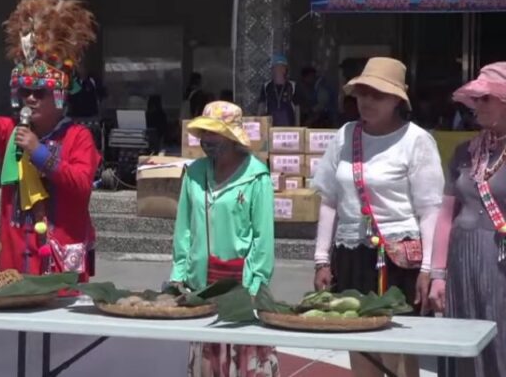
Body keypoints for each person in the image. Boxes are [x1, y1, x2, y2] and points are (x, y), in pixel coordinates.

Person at [0, 0, 101, 282]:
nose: (30, 98)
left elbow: (82, 185)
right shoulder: (11, 131)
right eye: (24, 91)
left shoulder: (77, 136)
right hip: (16, 260)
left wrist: (40, 153)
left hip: (60, 259)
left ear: (58, 96)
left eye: (39, 92)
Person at [311, 58, 444, 377]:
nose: (366, 101)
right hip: (351, 256)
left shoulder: (416, 140)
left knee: (399, 352)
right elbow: (329, 200)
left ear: (398, 100)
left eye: (377, 95)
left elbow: (430, 210)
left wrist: (429, 268)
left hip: (399, 261)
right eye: (362, 93)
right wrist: (321, 260)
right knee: (360, 345)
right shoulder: (345, 135)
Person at [170, 101, 278, 377]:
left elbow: (262, 237)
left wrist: (256, 283)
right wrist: (178, 274)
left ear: (231, 138)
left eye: (214, 133)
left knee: (242, 363)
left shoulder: (257, 176)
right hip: (200, 287)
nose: (207, 140)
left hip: (241, 288)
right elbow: (184, 228)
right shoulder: (194, 174)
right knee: (207, 364)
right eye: (204, 133)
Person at [428, 62, 506, 376]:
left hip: (499, 260)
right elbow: (446, 215)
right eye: (475, 99)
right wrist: (438, 274)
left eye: (486, 98)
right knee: (462, 340)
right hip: (462, 258)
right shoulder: (465, 152)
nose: (478, 106)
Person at [258, 55, 298, 127]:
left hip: (289, 125)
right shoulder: (266, 86)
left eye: (282, 67)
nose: (279, 69)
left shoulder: (292, 85)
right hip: (270, 125)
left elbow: (297, 108)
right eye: (276, 67)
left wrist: (298, 126)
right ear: (272, 69)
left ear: (285, 70)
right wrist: (259, 124)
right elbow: (261, 106)